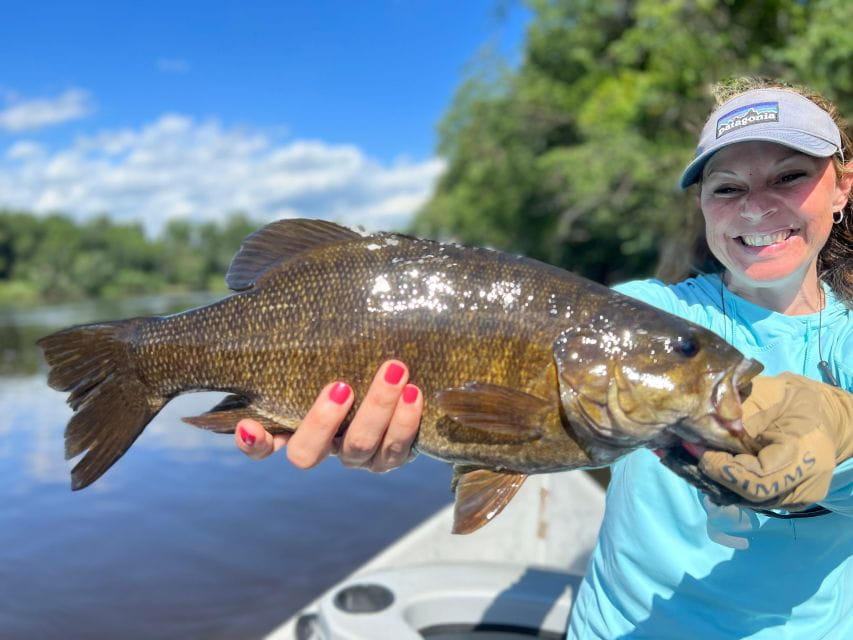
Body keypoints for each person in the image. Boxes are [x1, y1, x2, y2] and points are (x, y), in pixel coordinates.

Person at [234, 79, 853, 638]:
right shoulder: (646, 310)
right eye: (728, 187)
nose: (755, 205)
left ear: (842, 186)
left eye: (788, 176)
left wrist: (840, 433)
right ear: (703, 206)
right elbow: (470, 379)